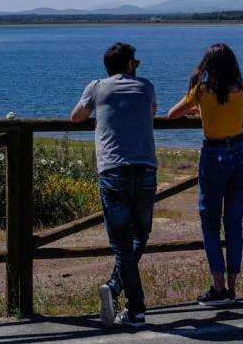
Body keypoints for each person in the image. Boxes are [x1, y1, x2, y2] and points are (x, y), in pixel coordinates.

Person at [71, 42, 157, 328]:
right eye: (137, 62)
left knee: (121, 241)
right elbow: (152, 112)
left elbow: (76, 117)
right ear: (130, 65)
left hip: (113, 171)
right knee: (140, 234)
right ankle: (125, 299)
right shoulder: (146, 87)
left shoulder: (96, 87)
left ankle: (132, 304)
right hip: (145, 169)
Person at [168, 43, 243, 305]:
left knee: (210, 222)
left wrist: (200, 110)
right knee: (233, 223)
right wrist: (234, 111)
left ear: (208, 65)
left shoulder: (202, 90)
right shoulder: (240, 87)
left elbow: (172, 115)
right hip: (241, 153)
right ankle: (232, 287)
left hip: (214, 157)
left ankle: (218, 288)